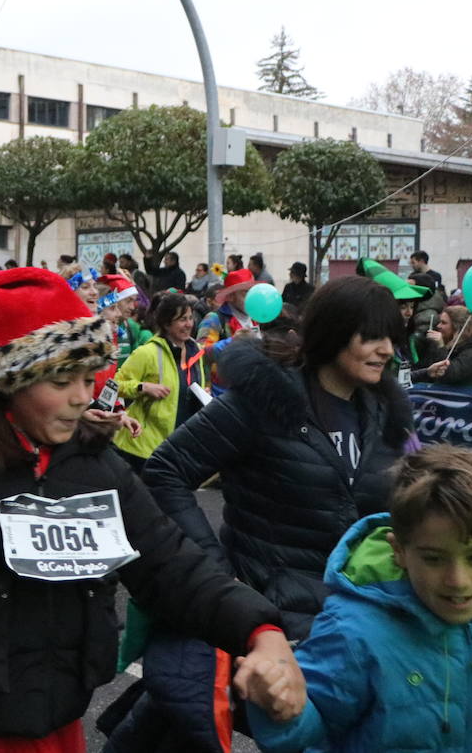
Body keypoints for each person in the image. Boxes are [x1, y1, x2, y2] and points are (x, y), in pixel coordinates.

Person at [0, 267, 304, 752]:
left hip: (60, 727)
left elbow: (171, 565)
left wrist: (260, 629)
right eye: (62, 381)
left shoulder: (95, 467)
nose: (80, 398)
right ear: (12, 378)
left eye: (88, 378)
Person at [250, 445, 472, 753]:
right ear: (399, 549)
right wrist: (280, 708)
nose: (457, 580)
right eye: (433, 559)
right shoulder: (352, 633)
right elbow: (312, 723)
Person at [146, 275, 413, 639]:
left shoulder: (388, 412)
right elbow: (165, 471)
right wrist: (218, 574)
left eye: (391, 338)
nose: (386, 349)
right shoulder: (264, 398)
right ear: (332, 332)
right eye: (372, 337)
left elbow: (411, 502)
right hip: (273, 625)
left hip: (363, 621)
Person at [112, 292, 207, 474]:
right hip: (144, 449)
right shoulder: (147, 353)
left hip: (180, 448)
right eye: (182, 320)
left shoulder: (196, 352)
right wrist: (142, 387)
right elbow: (114, 385)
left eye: (189, 318)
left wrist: (202, 394)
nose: (189, 324)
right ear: (166, 323)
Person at [196, 268, 259, 392]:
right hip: (222, 394)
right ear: (230, 296)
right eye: (245, 293)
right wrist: (233, 342)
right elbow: (199, 353)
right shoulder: (214, 319)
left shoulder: (254, 318)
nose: (252, 298)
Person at [412, 306, 472, 387]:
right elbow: (423, 367)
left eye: (443, 323)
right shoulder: (445, 344)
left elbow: (449, 375)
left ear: (457, 327)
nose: (438, 326)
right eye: (439, 322)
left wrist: (440, 347)